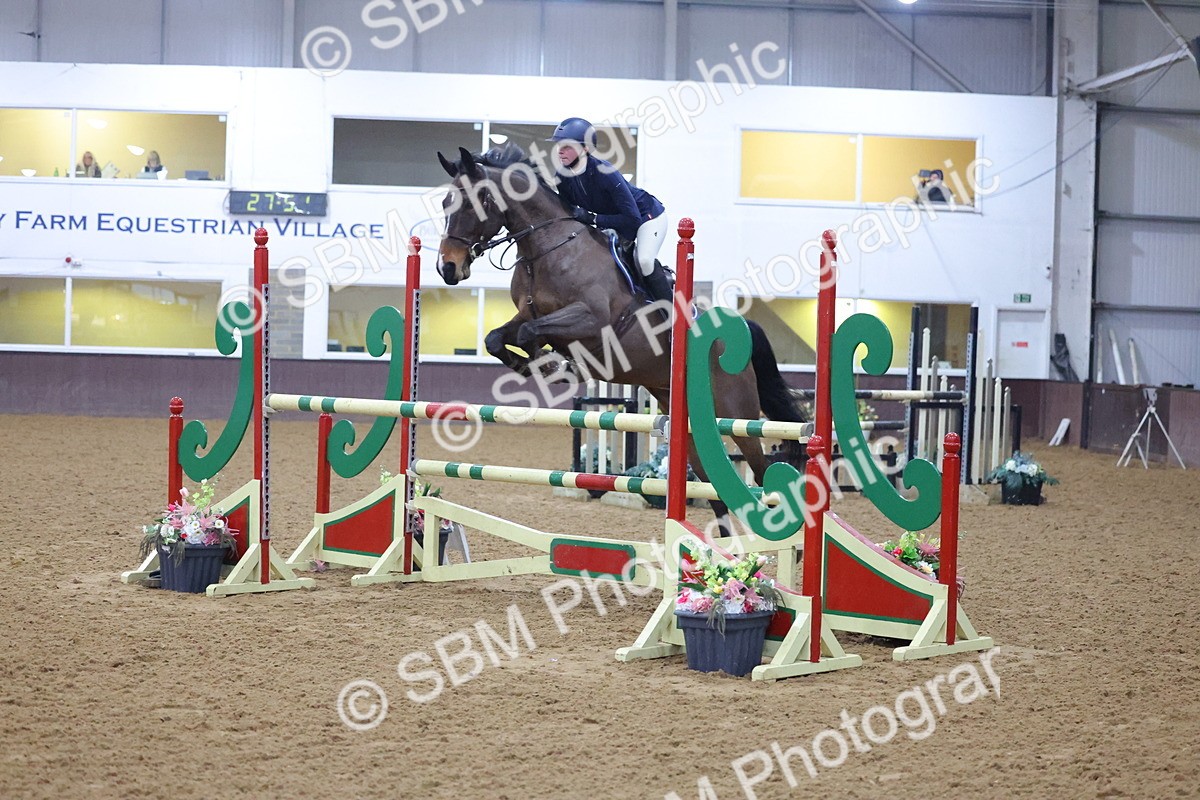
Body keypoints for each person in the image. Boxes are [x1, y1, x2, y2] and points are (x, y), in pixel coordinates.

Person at [546, 117, 672, 303]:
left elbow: (632, 220)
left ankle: (673, 314)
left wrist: (593, 219)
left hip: (647, 218)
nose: (560, 151)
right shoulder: (562, 176)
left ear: (586, 149)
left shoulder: (605, 173)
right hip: (613, 223)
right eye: (558, 145)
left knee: (644, 260)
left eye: (567, 146)